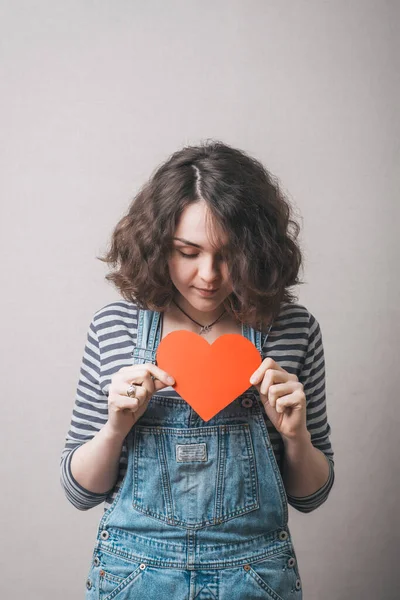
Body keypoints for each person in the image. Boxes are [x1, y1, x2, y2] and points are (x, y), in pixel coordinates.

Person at [60, 140, 335, 599]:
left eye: (227, 255)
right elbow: (79, 492)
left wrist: (295, 436)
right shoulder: (113, 327)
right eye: (188, 252)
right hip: (135, 577)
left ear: (257, 249)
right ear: (156, 245)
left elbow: (311, 496)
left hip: (256, 579)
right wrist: (113, 430)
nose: (208, 274)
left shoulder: (293, 328)